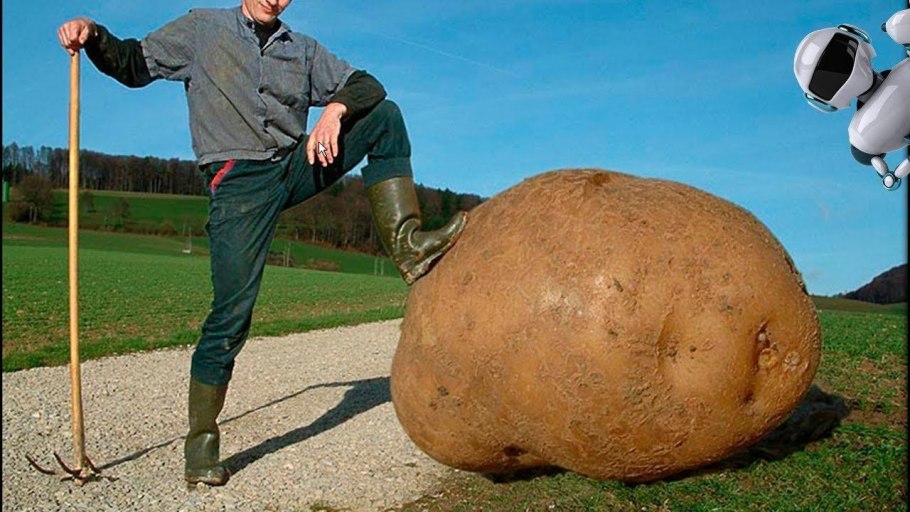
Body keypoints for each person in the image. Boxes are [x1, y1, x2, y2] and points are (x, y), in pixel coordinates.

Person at [58, 0, 467, 486]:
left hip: (295, 165)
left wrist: (335, 109)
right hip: (238, 183)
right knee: (230, 316)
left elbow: (367, 85)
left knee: (385, 116)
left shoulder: (301, 48)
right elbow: (132, 64)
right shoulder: (203, 28)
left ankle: (406, 246)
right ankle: (201, 449)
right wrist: (92, 33)